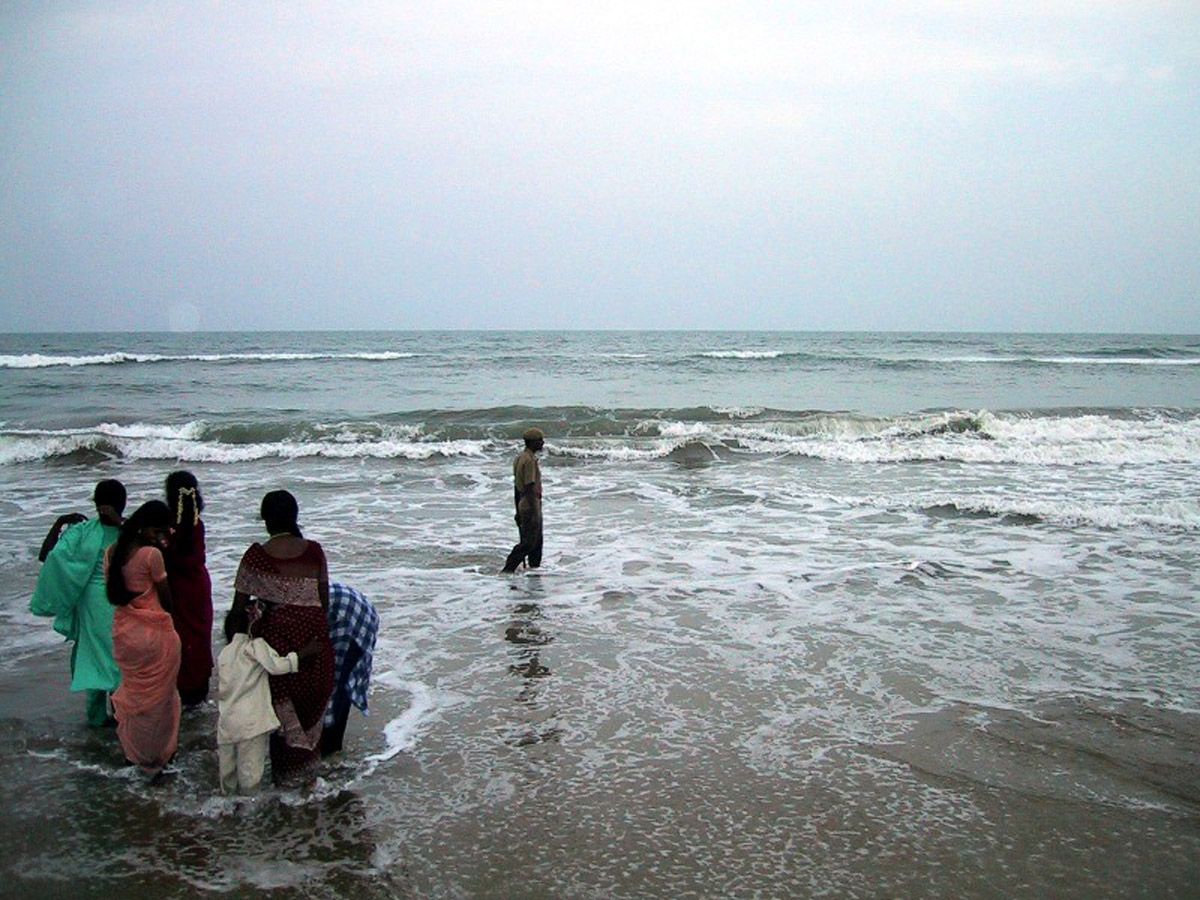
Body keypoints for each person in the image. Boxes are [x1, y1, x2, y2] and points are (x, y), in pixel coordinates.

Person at [232, 490, 334, 787]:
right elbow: (323, 604)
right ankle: (307, 790)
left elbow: (238, 611)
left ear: (265, 520)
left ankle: (283, 794)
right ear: (295, 516)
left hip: (278, 653)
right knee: (309, 720)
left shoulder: (255, 556)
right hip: (316, 651)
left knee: (282, 725)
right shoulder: (315, 552)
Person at [30, 480, 126, 727]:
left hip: (91, 604)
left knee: (93, 656)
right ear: (122, 504)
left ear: (96, 505)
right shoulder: (132, 532)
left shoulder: (82, 532)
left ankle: (96, 719)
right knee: (120, 659)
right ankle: (122, 715)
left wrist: (60, 522)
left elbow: (49, 557)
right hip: (122, 601)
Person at [105, 500, 182, 777]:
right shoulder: (151, 555)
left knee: (136, 697)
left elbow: (113, 593)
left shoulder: (112, 552)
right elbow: (167, 600)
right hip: (156, 633)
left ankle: (134, 754)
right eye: (159, 530)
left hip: (125, 633)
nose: (163, 535)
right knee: (162, 700)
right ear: (146, 528)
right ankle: (160, 755)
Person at [216, 602, 323, 794]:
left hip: (226, 723)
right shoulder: (254, 647)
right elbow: (277, 666)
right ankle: (248, 812)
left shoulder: (224, 653)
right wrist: (304, 653)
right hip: (251, 723)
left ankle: (227, 809)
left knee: (228, 775)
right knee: (250, 775)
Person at [163, 471, 214, 707]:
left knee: (178, 638)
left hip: (174, 587)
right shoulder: (197, 525)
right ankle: (198, 690)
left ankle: (180, 689)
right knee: (199, 637)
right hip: (198, 587)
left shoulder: (166, 528)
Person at [321, 582, 379, 757]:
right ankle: (328, 747)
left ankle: (330, 751)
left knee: (337, 681)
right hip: (345, 606)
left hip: (351, 616)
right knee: (332, 682)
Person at [502, 427, 545, 573]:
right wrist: (534, 509)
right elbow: (529, 486)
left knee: (535, 542)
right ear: (532, 442)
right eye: (540, 440)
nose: (542, 443)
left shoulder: (520, 458)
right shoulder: (529, 460)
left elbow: (517, 488)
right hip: (531, 504)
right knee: (529, 543)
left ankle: (534, 571)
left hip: (523, 503)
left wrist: (517, 511)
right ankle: (508, 569)